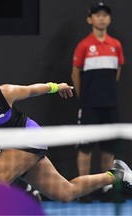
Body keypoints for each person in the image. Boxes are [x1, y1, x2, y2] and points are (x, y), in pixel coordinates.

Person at [0, 59, 132, 202]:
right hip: (13, 149)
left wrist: (56, 86)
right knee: (66, 192)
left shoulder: (5, 93)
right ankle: (117, 175)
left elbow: (33, 89)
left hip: (28, 135)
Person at [71, 2, 125, 202]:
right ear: (90, 19)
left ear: (109, 19)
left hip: (110, 105)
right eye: (97, 15)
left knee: (108, 148)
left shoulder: (116, 45)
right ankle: (83, 189)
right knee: (85, 148)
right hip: (89, 105)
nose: (102, 18)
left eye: (105, 15)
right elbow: (75, 73)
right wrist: (84, 96)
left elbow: (117, 72)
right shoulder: (84, 45)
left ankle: (107, 189)